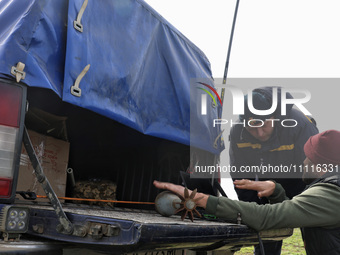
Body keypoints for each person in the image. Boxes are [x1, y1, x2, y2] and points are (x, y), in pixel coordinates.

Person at [154, 130, 340, 255]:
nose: (304, 161)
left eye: (308, 156)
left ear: (321, 162)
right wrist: (277, 191)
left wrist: (200, 199)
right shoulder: (331, 190)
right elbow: (295, 213)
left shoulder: (332, 193)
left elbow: (265, 217)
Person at [229, 86, 318, 254]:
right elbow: (241, 177)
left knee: (317, 239)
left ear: (275, 117)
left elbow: (314, 173)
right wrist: (253, 211)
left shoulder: (301, 125)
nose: (259, 133)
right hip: (265, 190)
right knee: (265, 242)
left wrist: (305, 207)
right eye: (252, 128)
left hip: (303, 187)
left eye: (264, 125)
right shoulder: (237, 132)